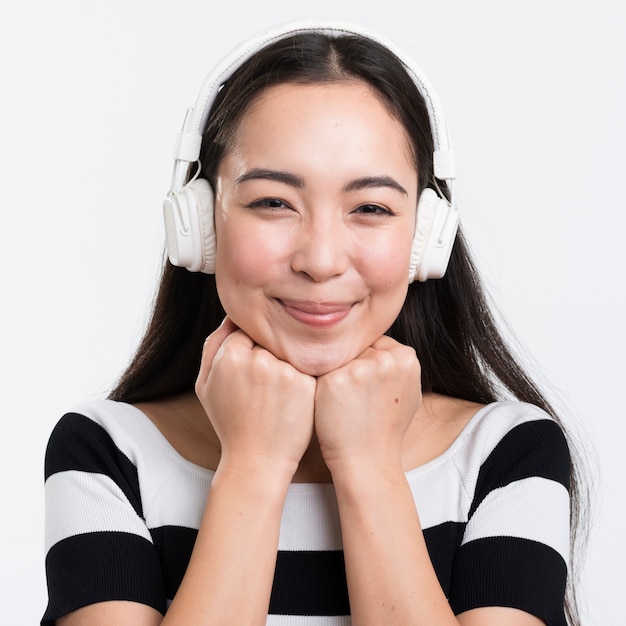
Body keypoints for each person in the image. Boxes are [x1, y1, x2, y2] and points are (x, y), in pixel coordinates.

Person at [42, 21, 585, 626]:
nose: (321, 260)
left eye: (371, 208)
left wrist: (369, 467)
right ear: (199, 225)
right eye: (273, 202)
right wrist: (253, 466)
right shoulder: (107, 451)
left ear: (426, 240)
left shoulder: (506, 453)